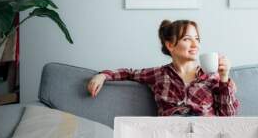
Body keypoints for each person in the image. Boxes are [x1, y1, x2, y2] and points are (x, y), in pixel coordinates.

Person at [87, 19, 239, 116]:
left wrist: (224, 78)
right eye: (187, 39)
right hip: (170, 137)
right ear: (170, 45)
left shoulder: (212, 77)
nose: (195, 44)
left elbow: (228, 118)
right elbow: (129, 73)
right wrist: (103, 75)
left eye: (197, 39)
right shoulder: (159, 74)